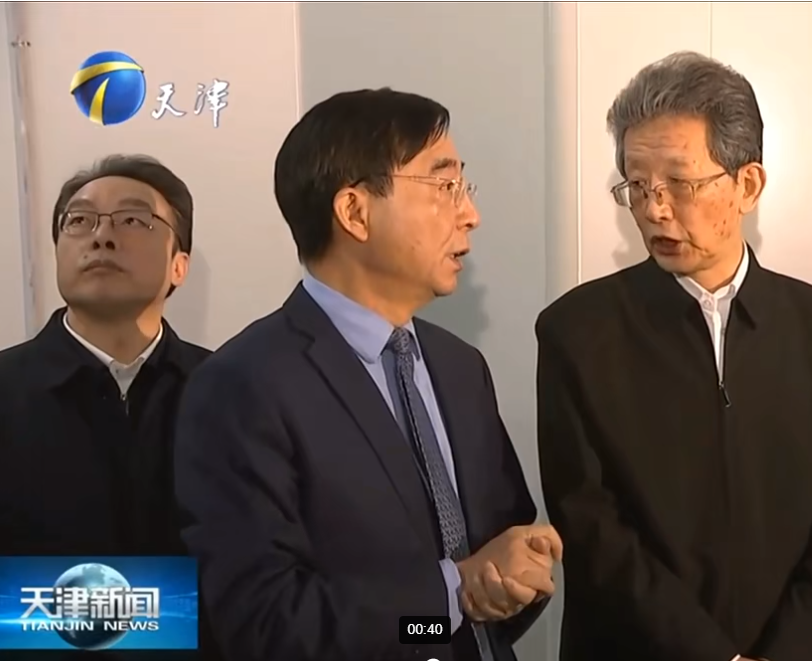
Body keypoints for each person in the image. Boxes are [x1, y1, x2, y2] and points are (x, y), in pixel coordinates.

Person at [173, 88, 560, 661]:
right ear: (355, 212)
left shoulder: (459, 368)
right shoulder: (242, 386)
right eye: (444, 187)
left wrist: (512, 576)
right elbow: (266, 625)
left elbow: (492, 576)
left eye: (464, 189)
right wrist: (450, 597)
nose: (470, 215)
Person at [535, 52, 812, 661]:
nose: (654, 209)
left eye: (679, 183)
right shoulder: (577, 333)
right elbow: (590, 525)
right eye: (637, 185)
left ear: (747, 185)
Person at [0, 154, 211, 557]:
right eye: (79, 221)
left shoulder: (231, 391)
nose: (102, 236)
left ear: (179, 265)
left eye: (132, 220)